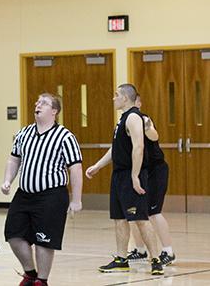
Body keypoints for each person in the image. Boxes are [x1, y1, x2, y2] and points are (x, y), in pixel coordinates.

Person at [2, 93, 83, 286]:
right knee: (13, 235)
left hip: (51, 196)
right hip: (24, 194)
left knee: (43, 241)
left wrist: (76, 199)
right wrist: (7, 180)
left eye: (44, 103)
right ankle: (30, 273)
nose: (38, 105)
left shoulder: (65, 136)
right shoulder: (24, 133)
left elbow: (75, 168)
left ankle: (41, 281)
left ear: (54, 111)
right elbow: (14, 159)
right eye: (37, 102)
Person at [85, 84, 163, 276]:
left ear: (126, 98)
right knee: (119, 219)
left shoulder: (134, 117)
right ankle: (121, 259)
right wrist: (97, 165)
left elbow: (139, 147)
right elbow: (116, 149)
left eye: (116, 95)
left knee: (140, 219)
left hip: (130, 175)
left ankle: (156, 259)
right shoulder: (122, 120)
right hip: (119, 175)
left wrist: (135, 176)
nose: (113, 98)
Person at [127, 95, 175, 266]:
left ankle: (168, 251)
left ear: (138, 103)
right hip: (141, 171)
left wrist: (147, 126)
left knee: (154, 212)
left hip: (156, 171)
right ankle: (140, 250)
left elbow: (154, 135)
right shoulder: (126, 122)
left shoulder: (144, 120)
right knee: (133, 213)